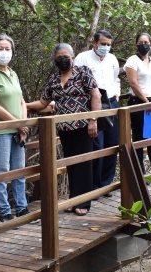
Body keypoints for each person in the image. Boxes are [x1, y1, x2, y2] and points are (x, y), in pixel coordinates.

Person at [27, 43, 101, 216]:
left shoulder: (83, 73)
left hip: (83, 126)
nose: (62, 59)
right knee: (71, 164)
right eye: (59, 57)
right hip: (64, 128)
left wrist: (93, 120)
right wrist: (25, 105)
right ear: (55, 59)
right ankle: (73, 199)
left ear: (73, 57)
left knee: (83, 163)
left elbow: (96, 95)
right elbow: (43, 103)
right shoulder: (53, 80)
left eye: (66, 56)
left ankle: (84, 202)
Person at [0, 34, 29, 222]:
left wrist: (23, 124)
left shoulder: (13, 73)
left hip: (18, 130)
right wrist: (17, 124)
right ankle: (4, 212)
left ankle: (22, 207)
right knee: (2, 171)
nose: (4, 52)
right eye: (0, 49)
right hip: (1, 130)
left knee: (19, 170)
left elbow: (22, 102)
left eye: (7, 49)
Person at [74, 30, 120, 197]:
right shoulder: (82, 58)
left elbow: (116, 79)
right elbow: (75, 80)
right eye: (103, 44)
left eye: (108, 45)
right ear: (94, 43)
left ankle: (105, 184)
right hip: (92, 104)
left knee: (112, 143)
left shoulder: (112, 59)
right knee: (96, 144)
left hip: (111, 102)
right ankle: (94, 184)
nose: (105, 47)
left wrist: (116, 92)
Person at [124, 32, 151, 174]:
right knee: (139, 139)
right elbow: (133, 84)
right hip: (139, 103)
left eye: (146, 42)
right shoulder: (132, 61)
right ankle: (140, 173)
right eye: (140, 42)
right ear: (136, 45)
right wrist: (146, 102)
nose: (143, 45)